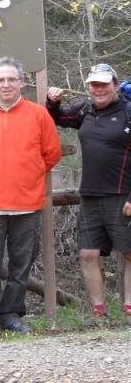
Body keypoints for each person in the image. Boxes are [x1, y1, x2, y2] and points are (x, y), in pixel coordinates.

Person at [0, 57, 61, 340]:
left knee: (20, 266)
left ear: (22, 82)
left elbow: (51, 153)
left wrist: (26, 175)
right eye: (0, 80)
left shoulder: (38, 115)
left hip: (27, 204)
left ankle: (11, 315)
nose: (6, 84)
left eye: (11, 79)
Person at [47, 62, 131, 323]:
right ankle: (99, 311)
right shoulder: (85, 110)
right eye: (94, 85)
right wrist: (53, 103)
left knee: (129, 252)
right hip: (91, 195)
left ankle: (129, 308)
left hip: (122, 193)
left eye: (104, 84)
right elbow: (58, 119)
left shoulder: (129, 112)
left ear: (115, 85)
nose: (99, 89)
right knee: (88, 253)